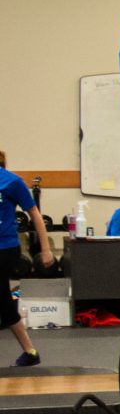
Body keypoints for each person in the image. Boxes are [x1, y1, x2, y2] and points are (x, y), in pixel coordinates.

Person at [0, 153, 54, 367]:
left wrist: (46, 248)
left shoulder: (12, 181)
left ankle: (31, 352)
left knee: (2, 299)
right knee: (4, 302)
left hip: (5, 248)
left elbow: (35, 214)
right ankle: (30, 353)